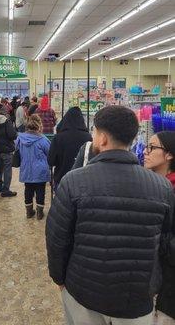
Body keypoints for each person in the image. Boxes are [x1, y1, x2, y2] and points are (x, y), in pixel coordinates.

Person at [46, 105, 175, 325]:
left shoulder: (73, 181)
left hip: (83, 290)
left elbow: (57, 238)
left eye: (95, 132)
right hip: (135, 298)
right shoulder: (162, 187)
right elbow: (165, 243)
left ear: (102, 138)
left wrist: (59, 278)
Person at [143, 131, 175, 325]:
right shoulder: (148, 186)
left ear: (169, 154)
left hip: (168, 290)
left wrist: (157, 239)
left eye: (153, 147)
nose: (146, 151)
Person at [16, 114, 50, 220]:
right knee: (40, 191)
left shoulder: (20, 139)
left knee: (28, 190)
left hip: (26, 169)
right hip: (40, 170)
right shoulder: (43, 140)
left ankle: (29, 212)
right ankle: (40, 213)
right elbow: (50, 153)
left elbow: (15, 149)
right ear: (38, 126)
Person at [48, 107, 92, 186]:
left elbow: (51, 161)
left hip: (62, 179)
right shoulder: (88, 137)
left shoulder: (58, 138)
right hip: (82, 180)